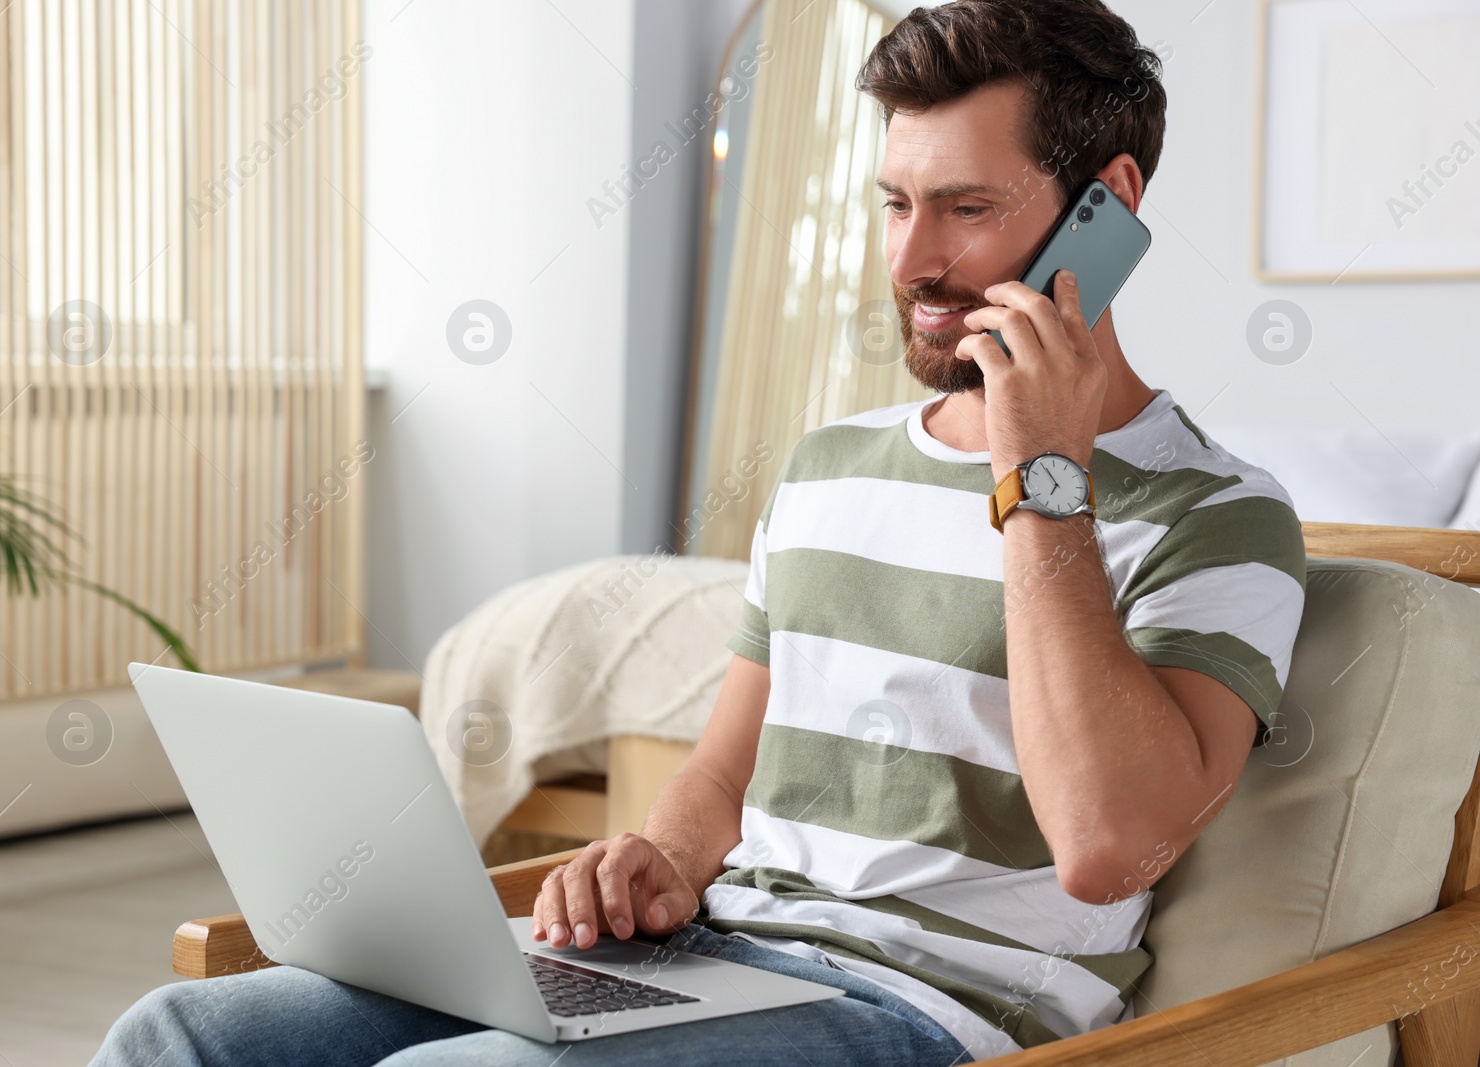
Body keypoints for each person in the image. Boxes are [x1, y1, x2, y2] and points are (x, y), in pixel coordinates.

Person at [93, 1, 1306, 1063]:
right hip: (707, 952)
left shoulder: (1219, 516)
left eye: (966, 207)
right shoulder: (829, 466)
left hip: (941, 1010)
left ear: (1111, 206)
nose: (914, 259)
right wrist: (657, 855)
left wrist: (1041, 474)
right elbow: (723, 774)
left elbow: (1107, 845)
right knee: (182, 1032)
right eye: (893, 204)